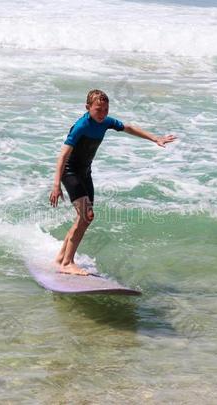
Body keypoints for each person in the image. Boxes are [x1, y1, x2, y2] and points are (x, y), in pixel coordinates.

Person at [49, 89, 177, 275]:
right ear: (88, 108)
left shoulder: (106, 122)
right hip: (70, 173)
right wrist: (56, 185)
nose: (103, 114)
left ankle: (61, 258)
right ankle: (67, 264)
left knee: (84, 218)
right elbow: (62, 157)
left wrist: (154, 138)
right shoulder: (81, 127)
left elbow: (128, 128)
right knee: (87, 216)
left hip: (85, 173)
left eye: (106, 110)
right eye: (98, 110)